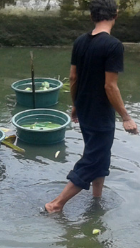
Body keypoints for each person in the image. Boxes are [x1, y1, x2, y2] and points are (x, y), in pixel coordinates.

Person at [44, 0, 138, 214]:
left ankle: (97, 200)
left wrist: (76, 105)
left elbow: (73, 77)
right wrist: (125, 116)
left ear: (92, 16)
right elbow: (110, 86)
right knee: (95, 158)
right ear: (116, 15)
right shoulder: (113, 45)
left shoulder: (80, 42)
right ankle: (56, 205)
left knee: (98, 154)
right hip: (100, 113)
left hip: (85, 109)